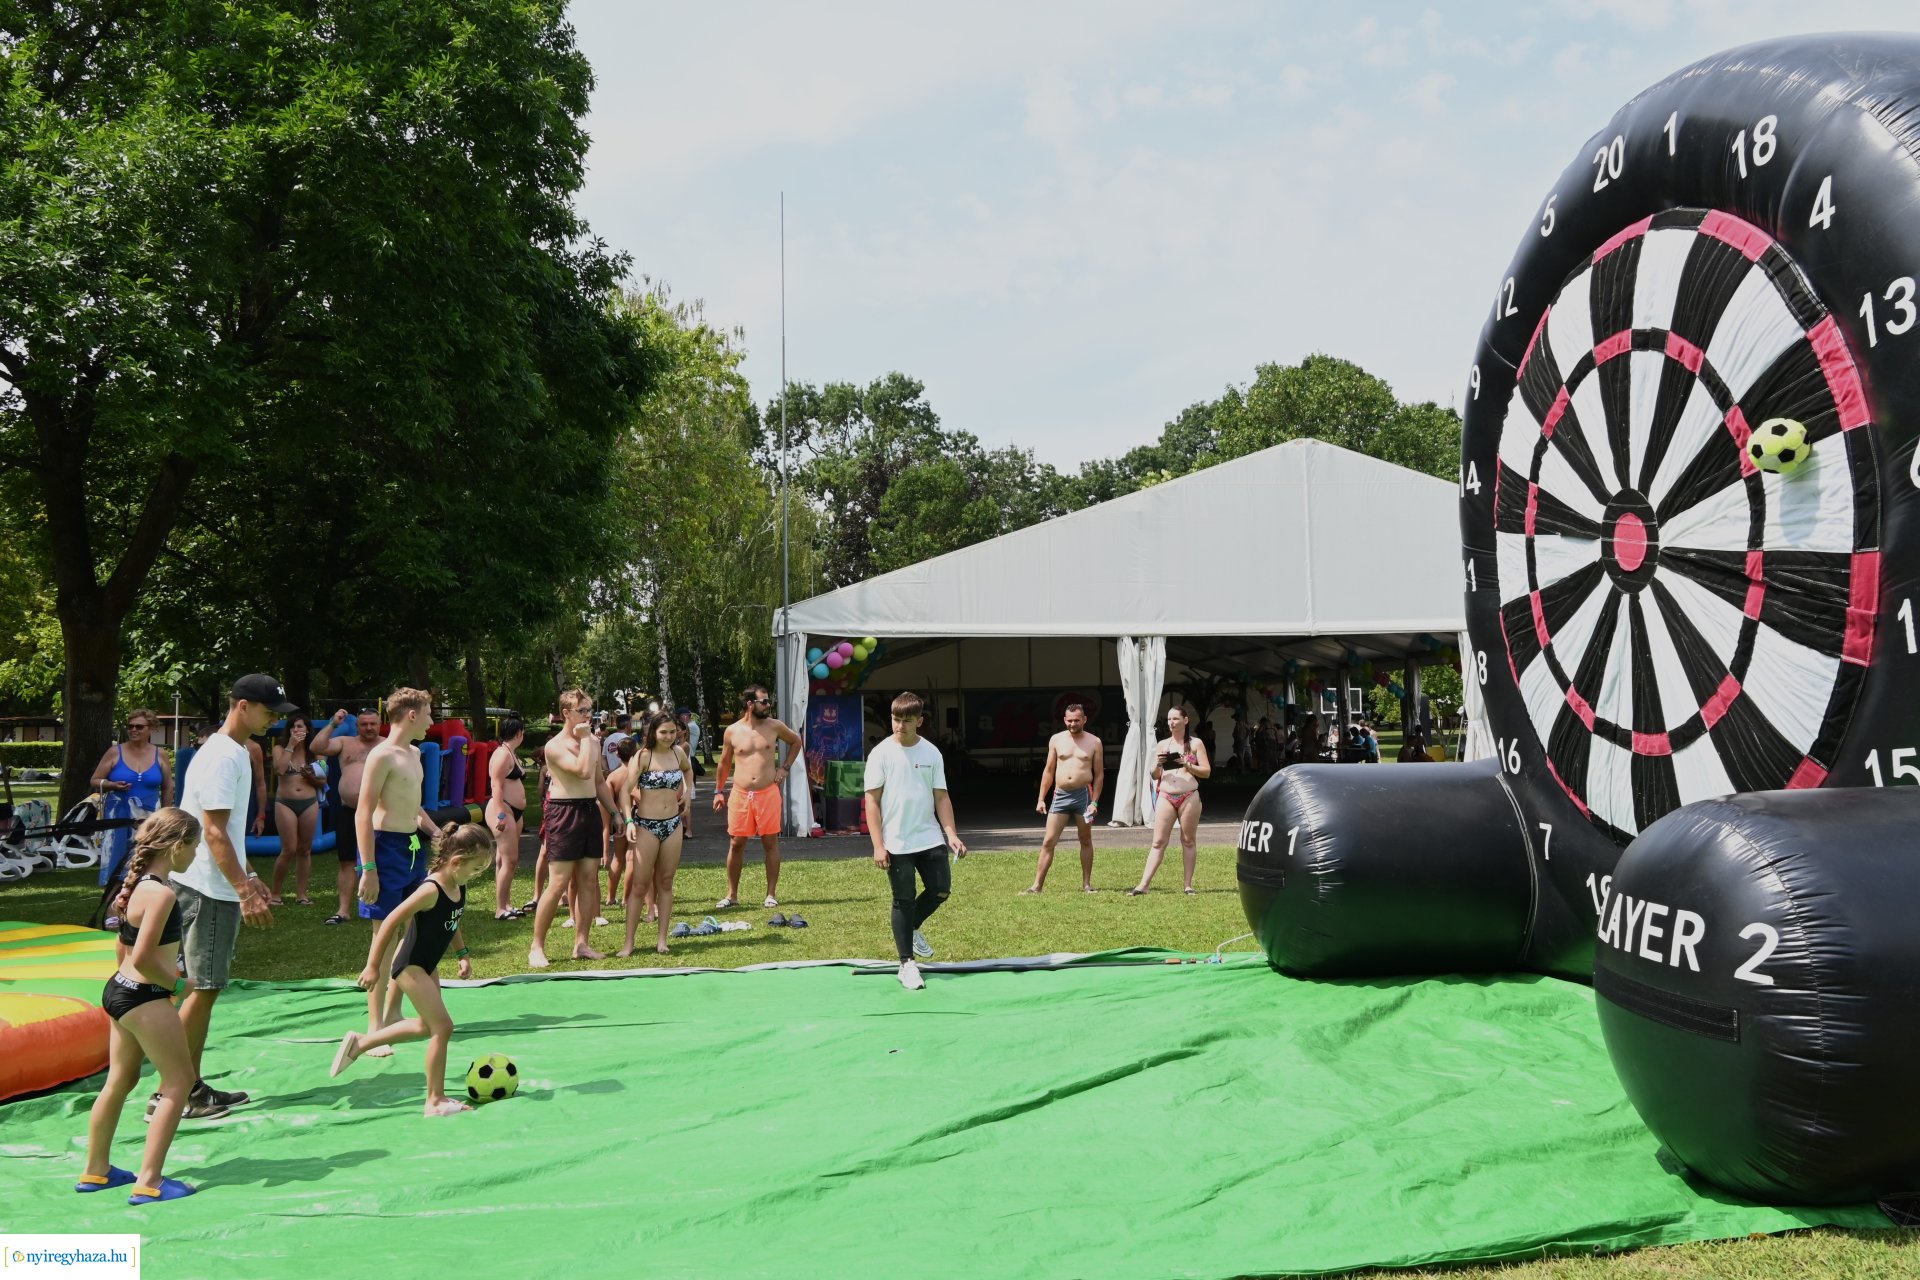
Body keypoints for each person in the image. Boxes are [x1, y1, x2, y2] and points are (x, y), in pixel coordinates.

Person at [168, 674, 287, 1120]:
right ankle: (176, 1092)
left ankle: (181, 1087)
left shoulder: (231, 751)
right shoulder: (223, 756)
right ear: (240, 706)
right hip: (209, 890)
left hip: (208, 883)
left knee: (203, 988)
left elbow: (225, 831)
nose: (273, 719)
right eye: (268, 711)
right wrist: (241, 889)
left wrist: (251, 874)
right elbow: (212, 830)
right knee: (204, 988)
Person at [79, 808, 206, 1204]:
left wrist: (130, 983)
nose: (196, 856)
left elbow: (125, 947)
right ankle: (149, 1181)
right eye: (195, 847)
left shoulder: (135, 886)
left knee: (120, 1079)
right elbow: (149, 956)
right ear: (176, 846)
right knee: (178, 1084)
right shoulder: (163, 893)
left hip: (121, 990)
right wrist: (178, 985)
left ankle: (96, 1171)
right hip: (143, 996)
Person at [330, 822, 486, 1117]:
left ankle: (361, 1043)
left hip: (428, 964)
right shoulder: (430, 889)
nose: (476, 875)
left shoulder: (456, 884)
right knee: (443, 1027)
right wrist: (373, 966)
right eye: (475, 869)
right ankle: (434, 1100)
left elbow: (453, 918)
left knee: (428, 1026)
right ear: (456, 862)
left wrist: (462, 953)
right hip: (410, 965)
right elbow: (390, 921)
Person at [355, 688, 444, 1049]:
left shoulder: (416, 753)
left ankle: (394, 1011)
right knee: (385, 935)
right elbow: (363, 811)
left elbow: (415, 807)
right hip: (385, 851)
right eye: (427, 713)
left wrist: (437, 833)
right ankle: (375, 1027)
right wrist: (369, 868)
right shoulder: (382, 756)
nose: (431, 721)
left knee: (414, 930)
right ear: (410, 715)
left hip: (411, 848)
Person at [865, 692, 966, 991]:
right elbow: (871, 801)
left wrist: (952, 834)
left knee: (941, 890)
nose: (900, 726)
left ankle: (912, 927)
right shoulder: (880, 753)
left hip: (929, 835)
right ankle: (906, 963)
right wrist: (878, 845)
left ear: (920, 721)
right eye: (896, 720)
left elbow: (941, 796)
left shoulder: (932, 753)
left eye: (907, 721)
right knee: (903, 900)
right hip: (896, 842)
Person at [529, 688, 618, 968]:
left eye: (590, 710)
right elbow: (581, 771)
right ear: (566, 714)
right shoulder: (555, 747)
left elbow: (598, 781)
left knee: (589, 879)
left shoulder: (592, 740)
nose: (588, 715)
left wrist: (615, 812)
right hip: (563, 812)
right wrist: (586, 741)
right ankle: (536, 947)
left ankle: (581, 943)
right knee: (558, 883)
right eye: (582, 710)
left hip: (590, 809)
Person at [711, 684, 803, 910]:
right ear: (750, 704)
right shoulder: (732, 730)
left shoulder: (775, 726)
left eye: (769, 701)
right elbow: (723, 763)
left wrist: (785, 768)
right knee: (736, 843)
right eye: (764, 701)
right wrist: (718, 791)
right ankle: (732, 895)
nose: (769, 705)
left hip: (767, 793)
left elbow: (796, 741)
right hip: (740, 794)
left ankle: (771, 894)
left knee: (770, 842)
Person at [617, 711, 693, 956]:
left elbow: (688, 770)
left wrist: (688, 796)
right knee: (639, 885)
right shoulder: (643, 756)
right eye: (664, 732)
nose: (669, 737)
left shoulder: (677, 753)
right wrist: (629, 820)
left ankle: (662, 940)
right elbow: (625, 791)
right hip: (646, 825)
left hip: (672, 825)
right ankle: (629, 943)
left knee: (666, 882)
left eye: (673, 732)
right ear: (652, 732)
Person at [1127, 704, 1212, 896]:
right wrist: (1158, 764)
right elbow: (1155, 775)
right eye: (1169, 719)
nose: (1171, 723)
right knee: (1158, 841)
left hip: (1189, 795)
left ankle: (1188, 885)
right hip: (1166, 795)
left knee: (1188, 840)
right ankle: (1143, 885)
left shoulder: (1196, 743)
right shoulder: (1163, 744)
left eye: (1175, 719)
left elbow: (1206, 772)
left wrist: (1188, 765)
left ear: (1185, 720)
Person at [1025, 703, 1104, 894]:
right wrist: (1041, 798)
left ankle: (1086, 884)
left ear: (1084, 719)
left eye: (1077, 720)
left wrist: (1094, 802)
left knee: (1085, 839)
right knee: (1048, 841)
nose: (1073, 723)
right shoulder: (1056, 739)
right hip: (1060, 795)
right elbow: (1049, 770)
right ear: (1064, 720)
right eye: (1070, 720)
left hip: (1083, 795)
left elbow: (1099, 774)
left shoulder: (1095, 742)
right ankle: (1037, 886)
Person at [267, 713, 339, 907]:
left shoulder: (316, 753)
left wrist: (310, 777)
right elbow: (280, 770)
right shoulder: (279, 748)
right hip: (285, 802)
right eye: (293, 727)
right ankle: (275, 894)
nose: (297, 730)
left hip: (309, 802)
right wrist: (290, 745)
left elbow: (323, 781)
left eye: (300, 727)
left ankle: (302, 894)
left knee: (305, 850)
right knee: (289, 848)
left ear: (308, 730)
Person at [485, 716, 528, 921]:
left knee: (504, 859)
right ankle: (500, 908)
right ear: (518, 733)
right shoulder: (502, 754)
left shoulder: (511, 752)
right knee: (510, 860)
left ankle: (506, 904)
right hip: (503, 810)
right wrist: (501, 814)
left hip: (514, 812)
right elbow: (496, 786)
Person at [604, 737, 638, 912]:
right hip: (635, 817)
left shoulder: (613, 776)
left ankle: (610, 897)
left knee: (618, 858)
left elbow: (607, 802)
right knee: (631, 858)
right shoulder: (637, 774)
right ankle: (626, 898)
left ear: (617, 754)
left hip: (618, 819)